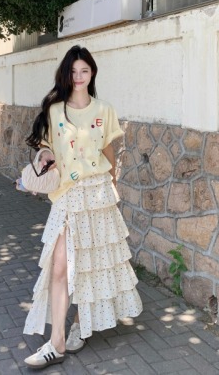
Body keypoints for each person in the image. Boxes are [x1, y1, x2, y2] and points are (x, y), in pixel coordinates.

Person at [22, 45, 143, 370]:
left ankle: (78, 326)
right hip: (68, 194)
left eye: (84, 71)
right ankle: (57, 343)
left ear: (92, 73)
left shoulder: (104, 109)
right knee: (60, 267)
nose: (78, 77)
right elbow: (46, 146)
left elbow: (108, 151)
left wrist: (114, 184)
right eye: (73, 72)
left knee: (87, 265)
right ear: (66, 75)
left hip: (99, 193)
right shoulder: (54, 109)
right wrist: (46, 156)